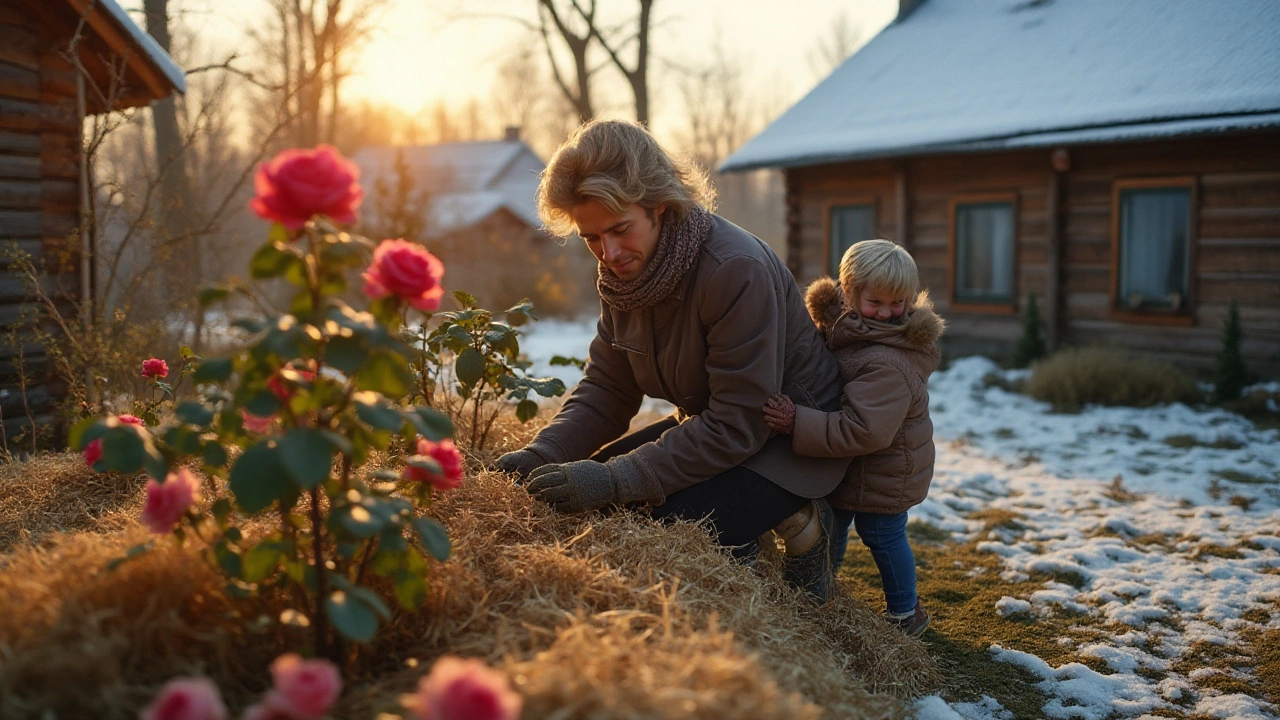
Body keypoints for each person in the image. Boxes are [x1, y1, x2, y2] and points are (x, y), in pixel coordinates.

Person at [496, 119, 850, 600]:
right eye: (591, 238)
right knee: (577, 500)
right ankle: (742, 524)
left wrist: (616, 478)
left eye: (620, 229)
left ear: (659, 205)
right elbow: (608, 389)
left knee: (658, 528)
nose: (609, 253)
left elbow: (740, 422)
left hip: (789, 441)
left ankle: (805, 520)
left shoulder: (733, 270)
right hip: (717, 429)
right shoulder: (625, 276)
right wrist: (544, 453)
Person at [763, 239, 944, 636]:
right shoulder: (844, 328)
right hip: (853, 464)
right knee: (832, 524)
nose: (885, 313)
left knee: (881, 532)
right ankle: (820, 592)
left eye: (896, 304)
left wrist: (798, 422)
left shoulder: (887, 362)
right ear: (847, 293)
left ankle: (905, 612)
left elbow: (864, 430)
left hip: (885, 468)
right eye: (875, 302)